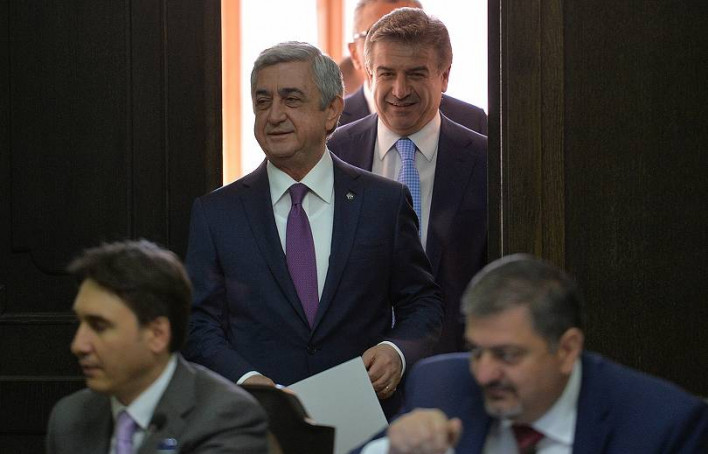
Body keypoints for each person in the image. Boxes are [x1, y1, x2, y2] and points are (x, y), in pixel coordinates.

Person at [182, 41, 443, 418]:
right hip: (256, 422)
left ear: (332, 111)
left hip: (361, 418)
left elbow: (421, 302)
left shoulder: (383, 203)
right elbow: (198, 323)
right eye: (263, 101)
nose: (274, 115)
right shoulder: (217, 213)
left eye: (291, 99)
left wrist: (396, 351)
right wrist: (246, 379)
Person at [359, 254, 708, 453]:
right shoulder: (442, 385)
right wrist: (391, 449)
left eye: (507, 355)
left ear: (567, 350)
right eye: (476, 351)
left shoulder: (664, 428)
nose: (484, 374)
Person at [329, 8, 487, 354]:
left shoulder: (486, 161)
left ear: (444, 76)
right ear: (369, 72)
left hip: (453, 364)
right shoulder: (333, 153)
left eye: (416, 74)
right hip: (353, 366)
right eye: (387, 73)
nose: (400, 91)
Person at [46, 240, 268, 454]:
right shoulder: (70, 416)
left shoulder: (227, 417)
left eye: (99, 326)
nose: (78, 345)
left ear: (157, 334)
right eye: (79, 323)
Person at [339, 0, 488, 135]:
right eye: (377, 32)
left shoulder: (473, 123)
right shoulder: (332, 127)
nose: (400, 91)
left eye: (410, 27)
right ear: (354, 53)